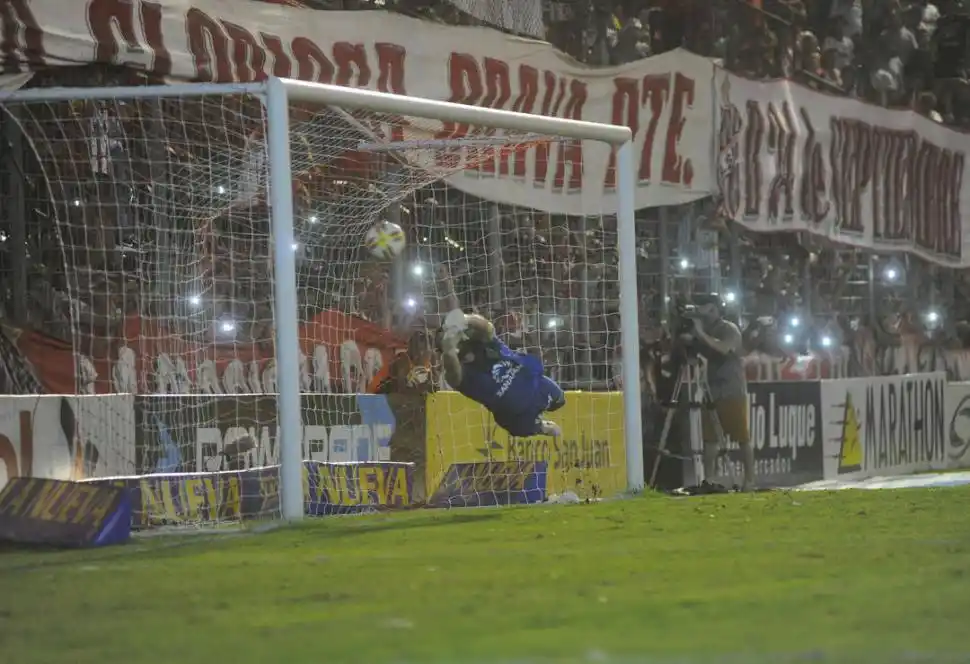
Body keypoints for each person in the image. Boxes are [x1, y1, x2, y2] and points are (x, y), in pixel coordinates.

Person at [434, 267, 565, 438]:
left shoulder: (483, 343)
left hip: (533, 383)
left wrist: (464, 318)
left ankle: (541, 420)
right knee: (522, 430)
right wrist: (449, 350)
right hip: (516, 416)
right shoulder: (461, 376)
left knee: (560, 400)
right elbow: (452, 369)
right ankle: (540, 426)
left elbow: (486, 326)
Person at [680, 293, 754, 491]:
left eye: (702, 306)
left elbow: (723, 349)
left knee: (741, 437)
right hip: (711, 389)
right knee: (710, 439)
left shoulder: (728, 328)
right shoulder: (704, 329)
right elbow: (695, 356)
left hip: (731, 389)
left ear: (713, 308)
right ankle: (710, 480)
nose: (698, 310)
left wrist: (700, 333)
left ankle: (750, 480)